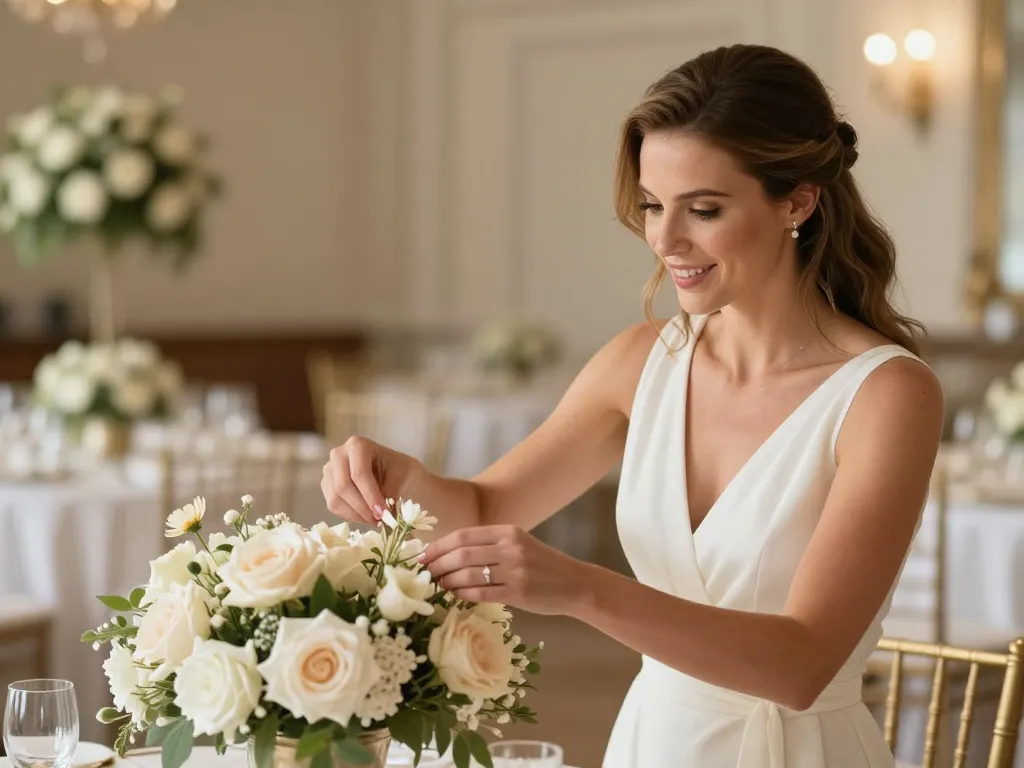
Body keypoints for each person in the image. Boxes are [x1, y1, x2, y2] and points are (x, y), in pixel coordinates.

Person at [321, 43, 943, 766]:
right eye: (652, 205)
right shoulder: (641, 361)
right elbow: (488, 508)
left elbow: (801, 665)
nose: (665, 240)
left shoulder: (886, 394)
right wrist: (403, 481)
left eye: (703, 210)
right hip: (654, 740)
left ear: (797, 202)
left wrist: (581, 588)